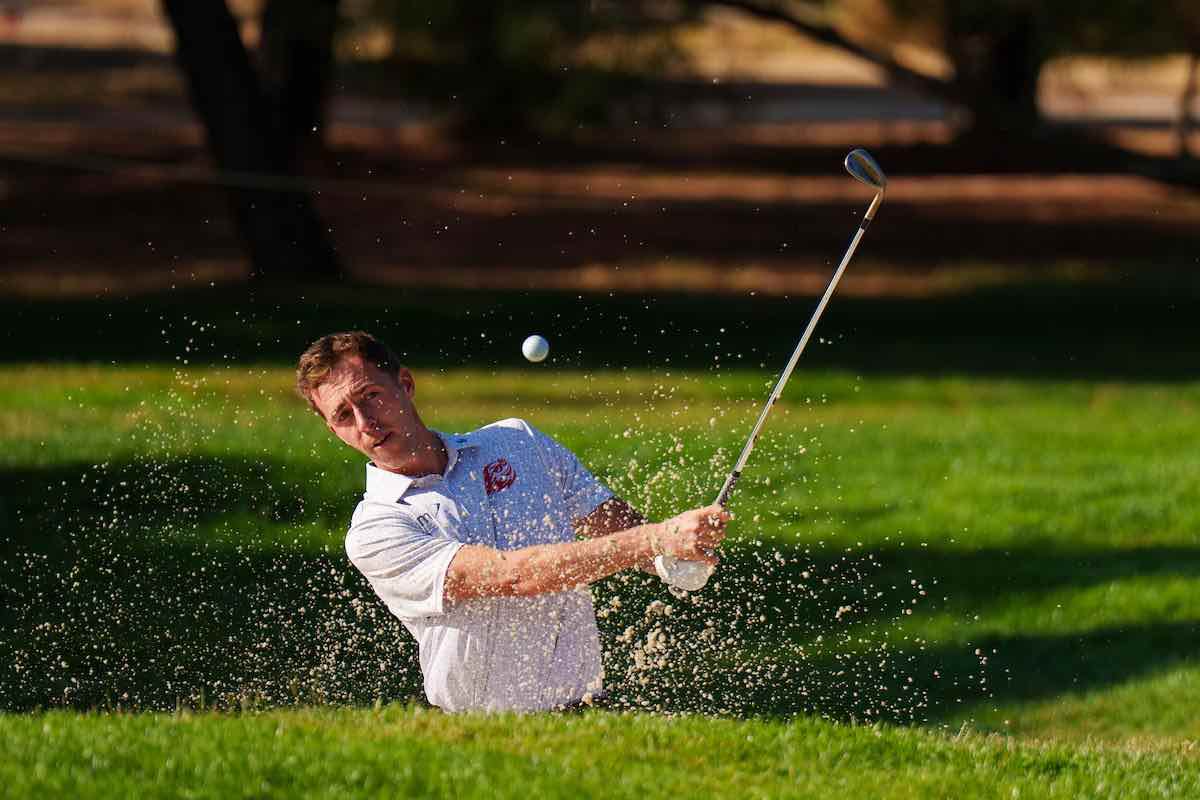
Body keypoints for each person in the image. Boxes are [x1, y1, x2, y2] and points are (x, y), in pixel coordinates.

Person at [295, 331, 729, 712]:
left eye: (370, 395)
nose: (366, 423)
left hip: (588, 713)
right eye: (343, 415)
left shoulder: (517, 441)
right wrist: (654, 539)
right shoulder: (376, 530)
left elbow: (609, 522)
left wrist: (672, 556)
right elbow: (513, 576)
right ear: (334, 432)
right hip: (483, 732)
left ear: (405, 385)